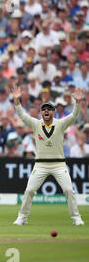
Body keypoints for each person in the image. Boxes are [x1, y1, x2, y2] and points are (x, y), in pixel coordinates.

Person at [11, 85, 85, 226]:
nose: (46, 111)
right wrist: (16, 101)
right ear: (40, 112)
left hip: (58, 164)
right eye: (44, 109)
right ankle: (22, 217)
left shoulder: (61, 124)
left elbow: (74, 116)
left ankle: (76, 218)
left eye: (49, 109)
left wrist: (78, 103)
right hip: (41, 164)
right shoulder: (36, 124)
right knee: (30, 190)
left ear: (53, 112)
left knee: (69, 190)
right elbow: (22, 115)